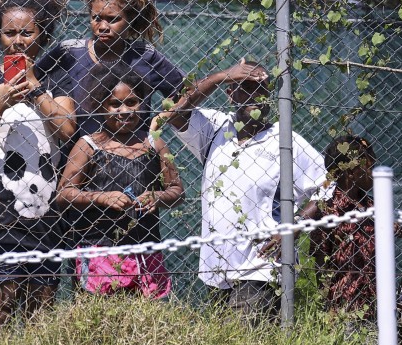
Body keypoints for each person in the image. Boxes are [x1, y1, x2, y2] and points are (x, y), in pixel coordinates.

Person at [153, 59, 326, 321]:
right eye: (245, 87)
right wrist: (220, 76)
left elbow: (327, 185)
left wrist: (292, 227)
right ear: (230, 93)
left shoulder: (284, 140)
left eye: (261, 89)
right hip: (216, 265)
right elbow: (176, 114)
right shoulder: (215, 128)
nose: (255, 96)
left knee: (246, 337)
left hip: (260, 265)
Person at [0, 0, 78, 327]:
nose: (18, 40)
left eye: (27, 32)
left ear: (42, 35)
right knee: (2, 297)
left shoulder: (58, 79)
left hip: (49, 210)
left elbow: (66, 130)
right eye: (9, 32)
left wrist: (36, 88)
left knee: (42, 300)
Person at [58, 62, 183, 298]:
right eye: (115, 104)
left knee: (150, 317)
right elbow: (64, 192)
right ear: (100, 107)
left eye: (131, 102)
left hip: (146, 247)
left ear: (142, 104)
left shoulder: (152, 143)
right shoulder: (89, 145)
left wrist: (158, 196)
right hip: (99, 248)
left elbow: (177, 189)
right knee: (101, 316)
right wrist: (102, 197)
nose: (124, 111)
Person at [35, 0, 185, 136]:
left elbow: (187, 91)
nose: (103, 26)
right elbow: (32, 77)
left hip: (133, 153)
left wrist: (160, 119)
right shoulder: (70, 52)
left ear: (130, 19)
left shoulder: (144, 55)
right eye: (96, 18)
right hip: (79, 153)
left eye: (113, 19)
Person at [303, 135, 381, 322]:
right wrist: (328, 306)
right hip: (343, 308)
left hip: (377, 302)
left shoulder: (372, 206)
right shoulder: (329, 213)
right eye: (369, 167)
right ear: (351, 172)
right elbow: (321, 265)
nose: (374, 173)